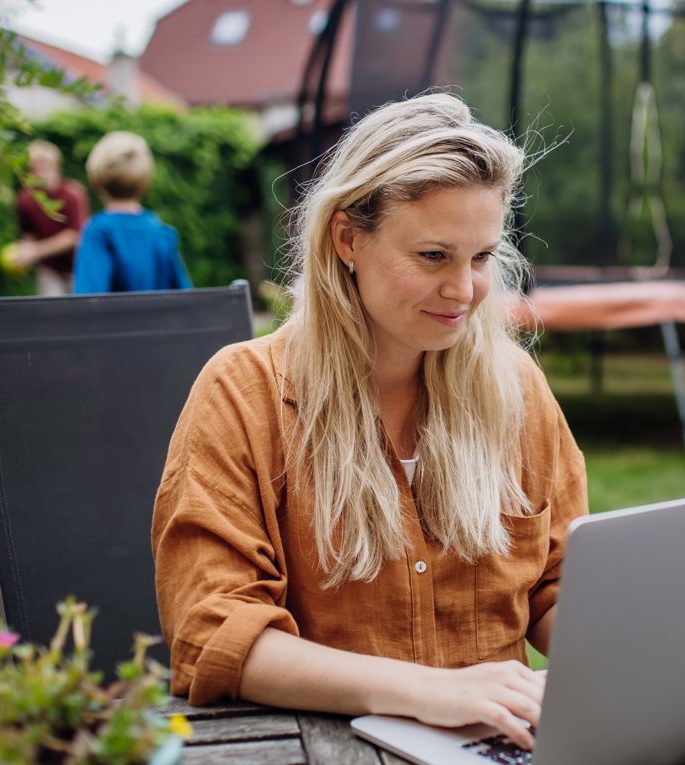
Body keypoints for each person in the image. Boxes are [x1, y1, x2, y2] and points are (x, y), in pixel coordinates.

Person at [151, 93, 587, 751]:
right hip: (317, 747)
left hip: (502, 745)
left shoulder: (515, 389)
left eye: (480, 258)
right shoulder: (244, 394)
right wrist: (428, 689)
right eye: (434, 256)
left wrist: (638, 647)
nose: (465, 290)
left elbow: (558, 587)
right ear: (348, 239)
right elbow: (214, 633)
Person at [72, 131, 192, 294]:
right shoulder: (161, 233)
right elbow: (187, 298)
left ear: (95, 182)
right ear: (146, 184)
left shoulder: (98, 233)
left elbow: (88, 300)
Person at [13, 140, 90, 295]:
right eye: (36, 168)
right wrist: (24, 253)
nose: (42, 172)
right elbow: (28, 234)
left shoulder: (73, 194)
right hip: (49, 270)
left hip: (77, 266)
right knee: (52, 315)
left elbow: (73, 236)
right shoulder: (25, 199)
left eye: (46, 167)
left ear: (57, 167)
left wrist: (36, 251)